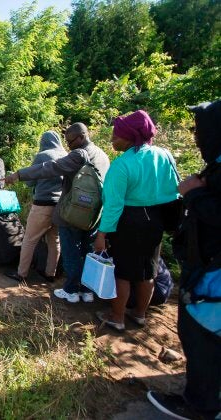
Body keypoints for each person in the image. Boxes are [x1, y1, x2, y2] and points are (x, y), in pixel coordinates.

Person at [147, 100, 221, 420]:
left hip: (213, 273)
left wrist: (193, 193)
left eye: (199, 128)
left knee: (201, 335)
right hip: (203, 263)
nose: (195, 134)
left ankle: (201, 406)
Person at [93, 110, 180, 331]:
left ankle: (117, 317)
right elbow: (174, 190)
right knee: (147, 269)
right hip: (155, 220)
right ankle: (140, 314)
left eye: (116, 135)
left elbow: (113, 205)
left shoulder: (122, 165)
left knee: (122, 271)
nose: (112, 139)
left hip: (129, 221)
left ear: (131, 136)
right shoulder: (164, 155)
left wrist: (102, 233)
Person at [6, 123, 110, 303]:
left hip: (70, 212)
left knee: (67, 251)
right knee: (82, 251)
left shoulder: (77, 154)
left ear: (82, 137)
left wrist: (18, 174)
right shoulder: (103, 155)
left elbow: (49, 168)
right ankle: (82, 289)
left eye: (70, 141)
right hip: (93, 214)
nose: (68, 145)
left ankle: (69, 290)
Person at [7, 131, 67, 283]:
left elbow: (30, 181)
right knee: (55, 240)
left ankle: (22, 274)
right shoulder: (66, 155)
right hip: (60, 205)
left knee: (29, 239)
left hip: (42, 204)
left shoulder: (43, 155)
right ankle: (50, 274)